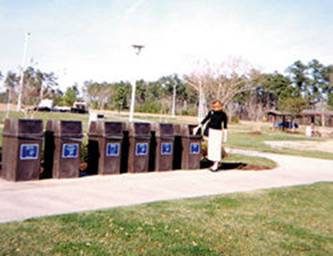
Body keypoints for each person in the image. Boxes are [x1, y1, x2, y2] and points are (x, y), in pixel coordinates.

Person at [196, 100, 228, 171]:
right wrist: (198, 126)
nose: (215, 108)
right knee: (212, 148)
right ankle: (215, 163)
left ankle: (216, 165)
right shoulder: (211, 112)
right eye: (214, 107)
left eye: (216, 106)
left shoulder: (223, 114)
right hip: (211, 132)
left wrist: (225, 136)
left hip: (218, 132)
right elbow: (205, 120)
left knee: (217, 148)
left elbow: (225, 126)